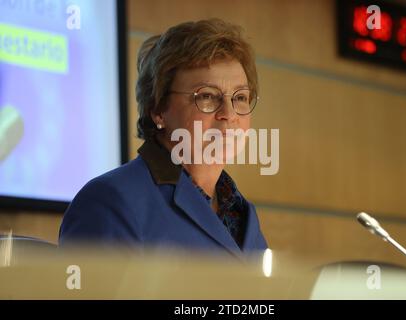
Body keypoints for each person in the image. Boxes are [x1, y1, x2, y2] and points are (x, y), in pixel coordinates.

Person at [59, 18, 268, 259]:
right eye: (208, 96)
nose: (229, 115)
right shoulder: (109, 202)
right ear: (158, 108)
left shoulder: (242, 212)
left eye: (240, 97)